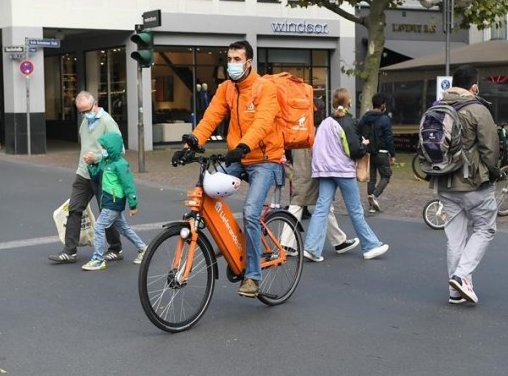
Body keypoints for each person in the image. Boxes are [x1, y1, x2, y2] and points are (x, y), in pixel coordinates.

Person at [172, 40, 282, 298]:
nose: (231, 64)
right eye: (229, 58)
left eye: (236, 59)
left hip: (265, 159)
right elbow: (211, 118)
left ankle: (253, 276)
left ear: (248, 62)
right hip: (239, 156)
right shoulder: (227, 89)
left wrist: (244, 146)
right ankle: (229, 240)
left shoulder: (265, 87)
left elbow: (264, 122)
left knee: (251, 212)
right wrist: (191, 143)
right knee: (208, 194)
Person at [434, 65, 500, 305]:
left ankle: (455, 291)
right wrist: (493, 173)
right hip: (473, 182)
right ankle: (461, 277)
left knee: (455, 236)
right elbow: (490, 149)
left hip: (443, 180)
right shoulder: (477, 109)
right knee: (485, 228)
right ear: (474, 86)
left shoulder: (438, 106)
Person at [305, 88, 389, 261]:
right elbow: (354, 150)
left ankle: (311, 248)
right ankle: (370, 245)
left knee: (322, 208)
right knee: (355, 210)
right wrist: (364, 144)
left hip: (324, 169)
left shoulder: (326, 122)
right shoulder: (348, 122)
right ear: (348, 103)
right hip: (342, 170)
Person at [48, 91, 124, 264]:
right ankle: (69, 251)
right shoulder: (85, 122)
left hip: (103, 174)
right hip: (83, 173)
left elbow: (119, 149)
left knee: (106, 212)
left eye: (87, 110)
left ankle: (115, 248)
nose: (84, 114)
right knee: (74, 209)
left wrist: (97, 158)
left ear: (95, 104)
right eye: (81, 112)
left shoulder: (107, 122)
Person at [81, 132, 146, 270]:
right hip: (108, 200)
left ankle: (98, 259)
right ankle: (143, 248)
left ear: (112, 148)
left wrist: (133, 204)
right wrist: (91, 165)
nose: (102, 149)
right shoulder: (106, 161)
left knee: (99, 227)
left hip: (114, 202)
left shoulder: (121, 165)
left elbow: (128, 185)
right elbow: (96, 176)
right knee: (123, 228)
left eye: (104, 147)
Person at [359, 93, 396, 213]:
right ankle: (374, 195)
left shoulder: (365, 117)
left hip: (368, 152)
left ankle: (371, 206)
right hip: (382, 153)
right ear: (382, 105)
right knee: (386, 175)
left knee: (372, 178)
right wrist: (393, 154)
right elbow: (389, 138)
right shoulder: (385, 119)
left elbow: (359, 132)